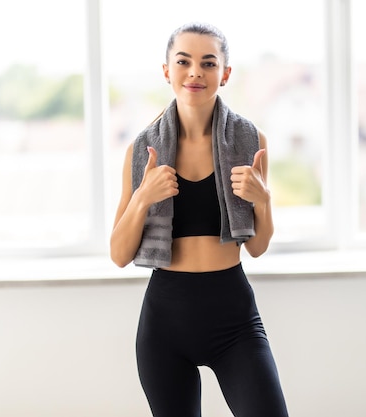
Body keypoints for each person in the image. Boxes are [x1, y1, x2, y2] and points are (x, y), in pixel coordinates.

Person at [110, 22, 289, 417]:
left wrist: (263, 200)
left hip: (234, 320)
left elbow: (257, 248)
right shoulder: (142, 150)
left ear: (225, 74)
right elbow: (119, 254)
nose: (195, 72)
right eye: (184, 62)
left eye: (208, 63)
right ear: (167, 71)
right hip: (165, 324)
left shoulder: (251, 142)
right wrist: (143, 198)